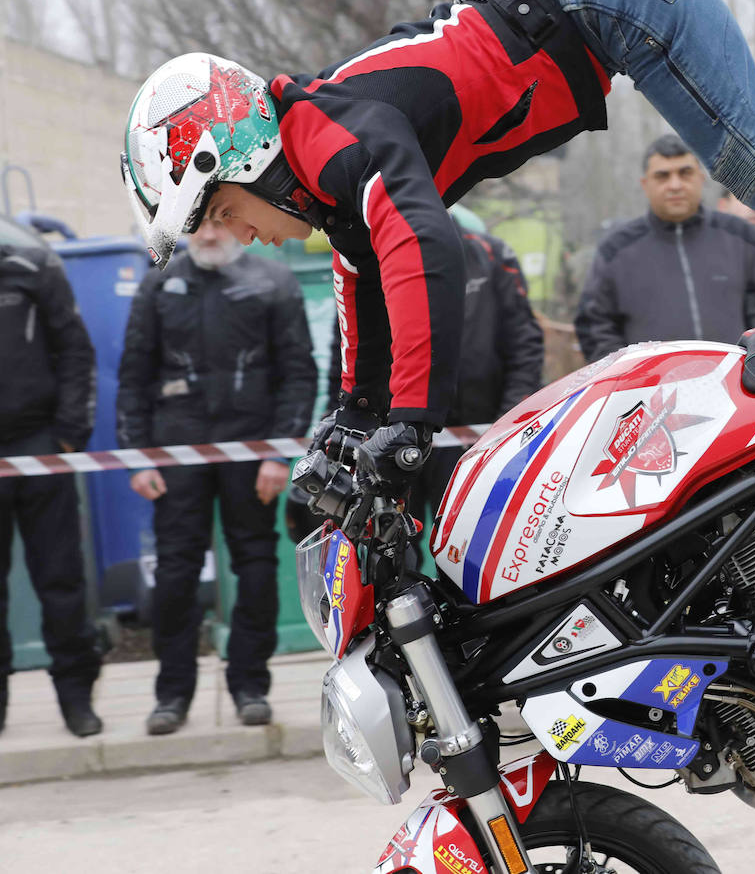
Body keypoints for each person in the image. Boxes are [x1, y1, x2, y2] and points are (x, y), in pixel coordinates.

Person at [120, 0, 755, 489]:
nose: (234, 237)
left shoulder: (338, 138)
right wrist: (353, 412)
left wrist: (409, 421)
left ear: (229, 159)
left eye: (223, 216)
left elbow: (419, 247)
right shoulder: (325, 168)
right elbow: (366, 277)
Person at [116, 219, 317, 734]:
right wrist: (138, 456)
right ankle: (172, 694)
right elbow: (134, 374)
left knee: (254, 566)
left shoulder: (274, 282)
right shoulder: (159, 283)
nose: (208, 234)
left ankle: (251, 685)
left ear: (234, 224)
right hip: (176, 451)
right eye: (198, 225)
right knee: (176, 573)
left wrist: (279, 453)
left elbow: (298, 373)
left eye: (217, 222)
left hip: (252, 450)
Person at [325, 219, 546, 528]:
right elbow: (349, 351)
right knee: (387, 550)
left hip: (473, 437)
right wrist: (343, 422)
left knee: (468, 545)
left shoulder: (489, 253)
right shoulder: (369, 257)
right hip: (391, 436)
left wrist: (505, 427)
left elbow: (525, 345)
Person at [0, 217, 103, 738]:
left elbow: (75, 350)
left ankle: (77, 699)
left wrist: (67, 438)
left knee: (61, 581)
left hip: (39, 447)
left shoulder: (32, 263)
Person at [574, 135, 755, 362]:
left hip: (736, 391)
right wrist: (628, 377)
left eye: (685, 173)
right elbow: (594, 328)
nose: (675, 185)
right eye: (662, 176)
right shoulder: (616, 250)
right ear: (645, 184)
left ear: (701, 178)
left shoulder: (743, 238)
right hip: (649, 393)